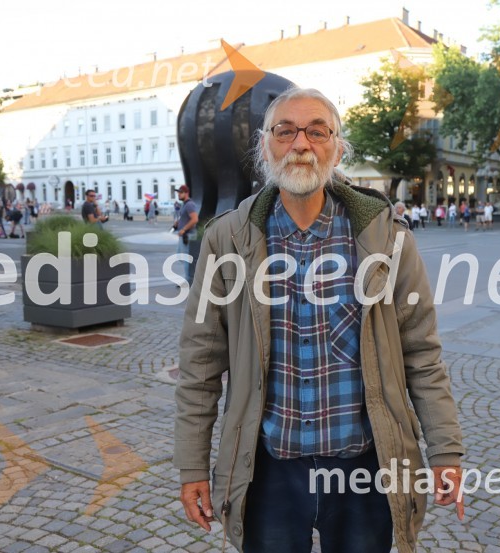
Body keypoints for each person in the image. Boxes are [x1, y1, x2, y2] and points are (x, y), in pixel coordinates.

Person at [174, 88, 464, 553]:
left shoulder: (386, 238)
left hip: (364, 471)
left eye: (317, 131)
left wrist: (445, 450)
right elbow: (200, 366)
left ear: (338, 146)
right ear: (265, 146)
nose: (301, 144)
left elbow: (422, 356)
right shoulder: (227, 239)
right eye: (284, 131)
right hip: (268, 472)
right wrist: (192, 467)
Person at [173, 185, 198, 284]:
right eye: (178, 192)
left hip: (188, 236)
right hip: (184, 236)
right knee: (181, 256)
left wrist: (183, 229)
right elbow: (186, 218)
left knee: (186, 257)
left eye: (180, 192)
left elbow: (195, 219)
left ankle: (189, 280)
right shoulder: (184, 204)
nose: (178, 194)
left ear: (186, 193)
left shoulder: (189, 205)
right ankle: (190, 277)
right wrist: (178, 223)